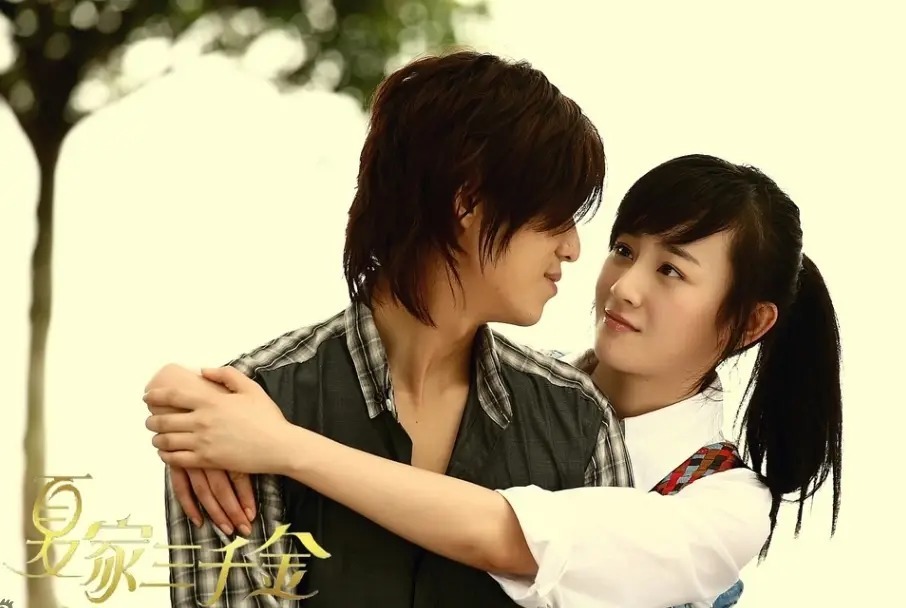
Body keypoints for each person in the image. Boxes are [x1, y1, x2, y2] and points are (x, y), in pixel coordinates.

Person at [146, 154, 844, 608]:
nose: (623, 286)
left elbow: (503, 534)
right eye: (624, 249)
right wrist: (198, 401)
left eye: (671, 271)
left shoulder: (723, 504)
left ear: (748, 323)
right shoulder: (518, 391)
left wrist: (280, 445)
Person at [145, 49, 634, 608]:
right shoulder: (235, 414)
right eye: (557, 217)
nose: (572, 248)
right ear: (468, 201)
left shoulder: (578, 420)